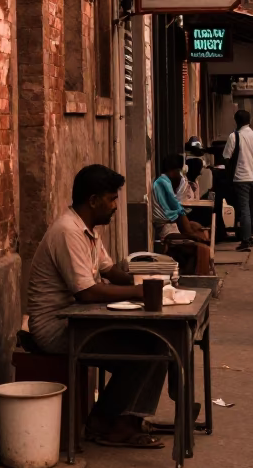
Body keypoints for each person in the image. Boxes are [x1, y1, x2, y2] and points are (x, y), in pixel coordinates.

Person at [27, 165, 166, 449]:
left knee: (158, 343)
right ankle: (106, 422)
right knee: (142, 351)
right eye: (111, 199)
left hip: (80, 319)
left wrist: (149, 280)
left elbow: (110, 270)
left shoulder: (88, 229)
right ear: (92, 200)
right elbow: (87, 292)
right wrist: (139, 292)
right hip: (56, 327)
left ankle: (127, 418)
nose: (115, 206)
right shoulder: (68, 231)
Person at [152, 154, 211, 275]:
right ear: (173, 170)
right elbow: (175, 209)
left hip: (172, 228)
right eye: (178, 171)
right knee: (201, 248)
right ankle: (192, 277)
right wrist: (193, 236)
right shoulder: (162, 183)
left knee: (199, 230)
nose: (180, 176)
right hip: (167, 232)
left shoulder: (166, 182)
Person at [223, 109, 253, 252]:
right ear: (250, 120)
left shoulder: (234, 136)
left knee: (244, 209)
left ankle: (246, 240)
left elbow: (226, 158)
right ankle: (251, 234)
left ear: (236, 121)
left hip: (241, 177)